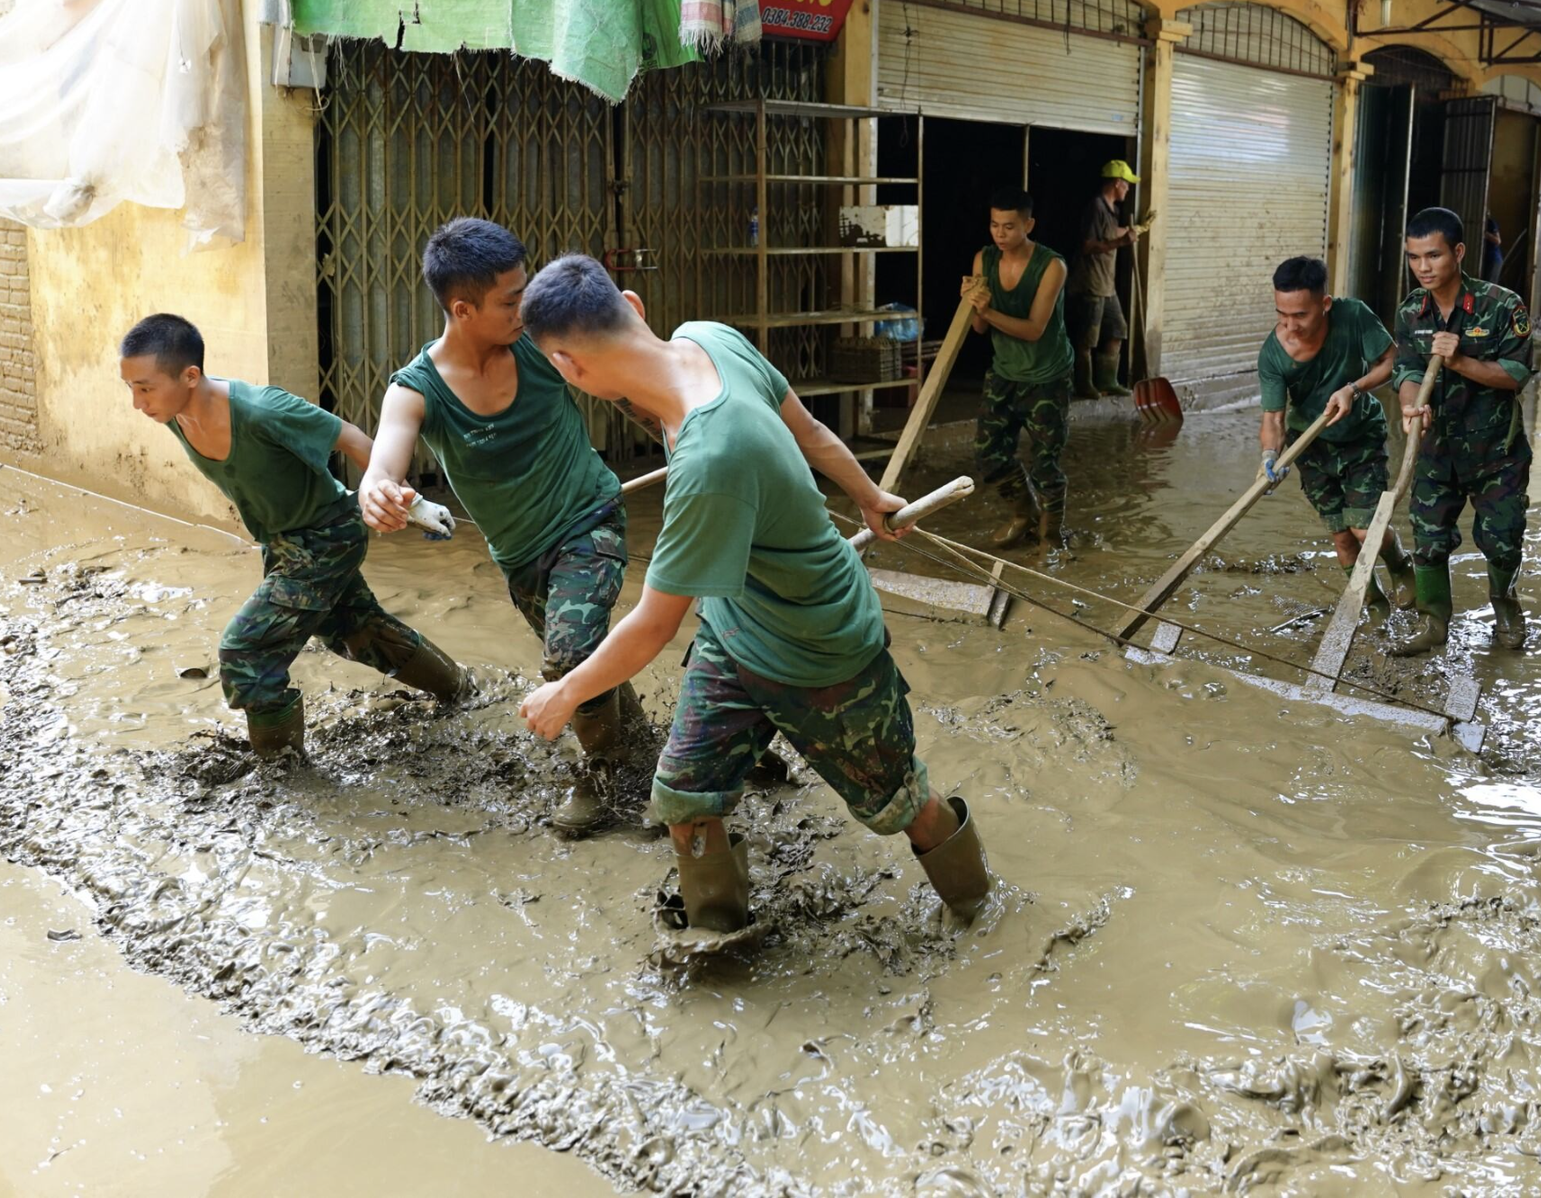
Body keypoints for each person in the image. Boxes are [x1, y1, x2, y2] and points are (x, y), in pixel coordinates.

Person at [512, 255, 993, 934]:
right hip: (737, 629)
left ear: (566, 366)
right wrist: (868, 495)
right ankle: (721, 941)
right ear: (634, 303)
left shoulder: (712, 458)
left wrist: (565, 693)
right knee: (682, 798)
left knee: (901, 802)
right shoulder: (707, 335)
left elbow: (652, 627)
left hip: (820, 649)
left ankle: (976, 905)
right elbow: (812, 430)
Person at [359, 218, 647, 837]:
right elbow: (385, 458)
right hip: (521, 558)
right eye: (512, 301)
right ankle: (653, 756)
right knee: (588, 659)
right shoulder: (417, 389)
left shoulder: (541, 345)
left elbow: (633, 386)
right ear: (462, 309)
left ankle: (602, 781)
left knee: (567, 657)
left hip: (588, 518)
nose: (527, 309)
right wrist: (378, 491)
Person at [118, 313, 471, 762]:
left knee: (246, 650)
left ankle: (282, 767)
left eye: (145, 388)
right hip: (283, 542)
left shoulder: (264, 410)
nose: (137, 403)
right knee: (356, 629)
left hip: (327, 536)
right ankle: (460, 688)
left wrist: (410, 500)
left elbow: (353, 439)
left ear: (190, 376)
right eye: (130, 388)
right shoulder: (171, 412)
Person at [1388, 207, 1534, 656]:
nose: (1423, 268)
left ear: (1459, 251)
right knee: (1428, 541)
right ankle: (1434, 623)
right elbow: (1407, 370)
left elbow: (1516, 373)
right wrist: (1411, 404)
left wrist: (1459, 362)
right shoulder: (1412, 311)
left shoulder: (1501, 305)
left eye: (1432, 256)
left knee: (1502, 541)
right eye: (1414, 258)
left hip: (1496, 452)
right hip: (1435, 452)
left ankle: (1506, 607)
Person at [1256, 256, 1414, 607]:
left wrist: (1354, 389)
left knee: (1364, 528)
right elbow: (1274, 419)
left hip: (1360, 435)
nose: (1289, 326)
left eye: (1300, 315)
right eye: (1281, 314)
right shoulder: (1272, 355)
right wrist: (1270, 456)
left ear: (1324, 304)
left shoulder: (1353, 316)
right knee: (1342, 537)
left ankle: (1401, 566)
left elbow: (1393, 361)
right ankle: (1372, 606)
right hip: (1311, 447)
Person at [964, 187, 1074, 550]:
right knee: (988, 453)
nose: (1000, 234)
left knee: (1045, 462)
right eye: (995, 225)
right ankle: (1022, 515)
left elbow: (1034, 329)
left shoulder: (1052, 266)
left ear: (1029, 224)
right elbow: (979, 329)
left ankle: (1052, 535)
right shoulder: (985, 260)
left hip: (1047, 377)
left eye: (1009, 227)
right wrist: (973, 305)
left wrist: (987, 310)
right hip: (1004, 372)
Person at [1076, 159, 1140, 401]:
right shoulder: (1096, 208)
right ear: (1117, 183)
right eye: (1127, 184)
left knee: (1117, 330)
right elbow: (1088, 246)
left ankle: (1107, 381)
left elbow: (1110, 233)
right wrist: (1121, 243)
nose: (1128, 189)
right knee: (1087, 339)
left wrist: (1134, 230)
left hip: (1107, 285)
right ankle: (1084, 384)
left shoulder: (1111, 210)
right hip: (1092, 283)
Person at [1483, 215, 1505, 285]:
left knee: (1489, 285)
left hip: (1494, 259)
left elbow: (1497, 240)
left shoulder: (1490, 222)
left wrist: (1486, 234)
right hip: (1489, 259)